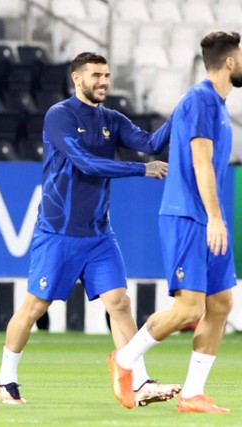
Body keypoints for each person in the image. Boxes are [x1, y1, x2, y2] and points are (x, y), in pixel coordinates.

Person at [0, 52, 180, 406]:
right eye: (96, 75)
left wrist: (181, 113)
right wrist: (141, 170)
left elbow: (151, 143)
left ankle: (138, 382)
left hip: (98, 235)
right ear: (76, 78)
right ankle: (5, 379)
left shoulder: (112, 118)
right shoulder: (59, 116)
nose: (103, 82)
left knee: (119, 302)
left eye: (107, 75)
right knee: (35, 306)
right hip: (58, 233)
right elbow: (86, 163)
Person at [109, 31, 240, 414]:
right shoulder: (200, 100)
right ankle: (125, 360)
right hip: (188, 216)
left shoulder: (212, 104)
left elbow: (156, 141)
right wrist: (215, 216)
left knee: (220, 304)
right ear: (229, 62)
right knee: (188, 310)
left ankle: (192, 394)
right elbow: (201, 163)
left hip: (209, 219)